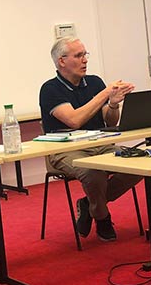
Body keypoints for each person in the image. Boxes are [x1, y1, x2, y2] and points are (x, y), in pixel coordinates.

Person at [39, 37, 142, 241]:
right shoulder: (50, 89)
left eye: (85, 54)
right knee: (92, 171)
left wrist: (113, 104)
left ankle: (89, 204)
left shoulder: (94, 82)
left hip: (100, 144)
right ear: (62, 61)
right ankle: (102, 217)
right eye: (78, 56)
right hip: (66, 150)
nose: (85, 60)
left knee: (139, 162)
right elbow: (74, 120)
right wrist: (105, 93)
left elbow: (110, 120)